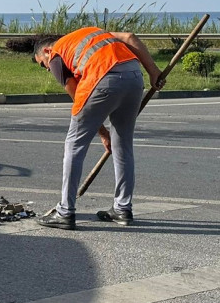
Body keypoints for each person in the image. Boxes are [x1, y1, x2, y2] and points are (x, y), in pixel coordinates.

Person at [32, 27, 165, 230]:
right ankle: (122, 208)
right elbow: (130, 37)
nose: (49, 69)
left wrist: (102, 133)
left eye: (44, 65)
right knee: (123, 145)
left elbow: (78, 95)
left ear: (47, 51)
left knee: (74, 145)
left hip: (103, 78)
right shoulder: (91, 33)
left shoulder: (57, 54)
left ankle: (65, 212)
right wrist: (154, 72)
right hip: (133, 77)